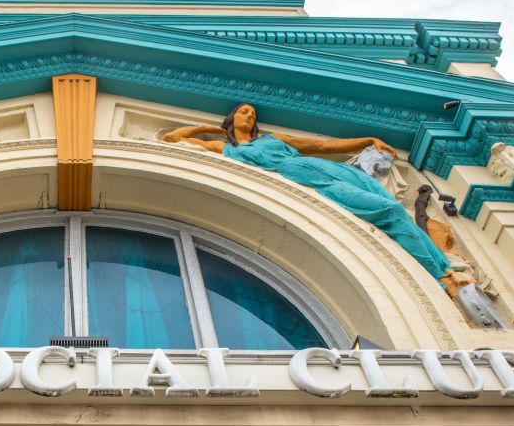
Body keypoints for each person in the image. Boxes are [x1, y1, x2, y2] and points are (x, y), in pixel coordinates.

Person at [162, 104, 462, 291]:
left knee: (394, 208)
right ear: (231, 118)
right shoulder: (229, 149)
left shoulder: (272, 139)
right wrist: (208, 128)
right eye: (243, 111)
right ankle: (438, 275)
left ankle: (444, 269)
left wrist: (368, 141)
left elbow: (322, 146)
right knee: (387, 210)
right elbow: (173, 139)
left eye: (252, 114)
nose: (249, 115)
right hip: (312, 184)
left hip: (328, 170)